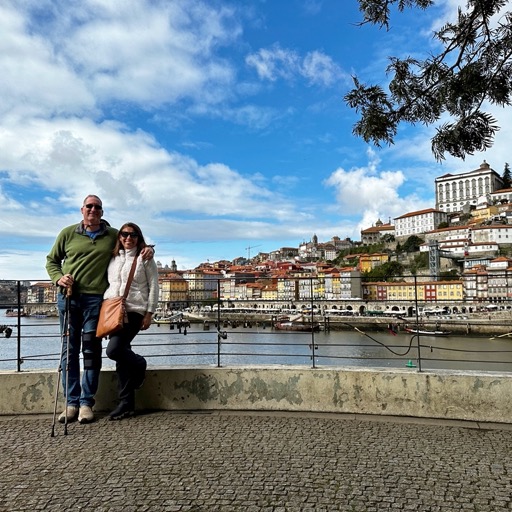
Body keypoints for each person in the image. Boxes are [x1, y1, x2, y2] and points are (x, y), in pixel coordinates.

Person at [46, 195, 154, 424]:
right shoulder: (67, 233)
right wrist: (58, 278)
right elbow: (51, 261)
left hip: (96, 302)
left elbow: (133, 242)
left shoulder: (113, 235)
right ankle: (71, 402)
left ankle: (86, 403)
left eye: (97, 207)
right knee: (68, 352)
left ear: (102, 212)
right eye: (89, 206)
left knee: (91, 351)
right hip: (69, 298)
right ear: (82, 210)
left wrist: (148, 250)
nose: (93, 209)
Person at [104, 222, 159, 420]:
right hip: (114, 311)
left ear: (139, 237)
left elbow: (154, 287)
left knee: (114, 350)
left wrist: (149, 313)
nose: (129, 238)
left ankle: (140, 364)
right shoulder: (112, 258)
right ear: (119, 237)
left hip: (135, 311)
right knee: (121, 356)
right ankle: (126, 404)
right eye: (125, 234)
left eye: (133, 235)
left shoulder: (145, 258)